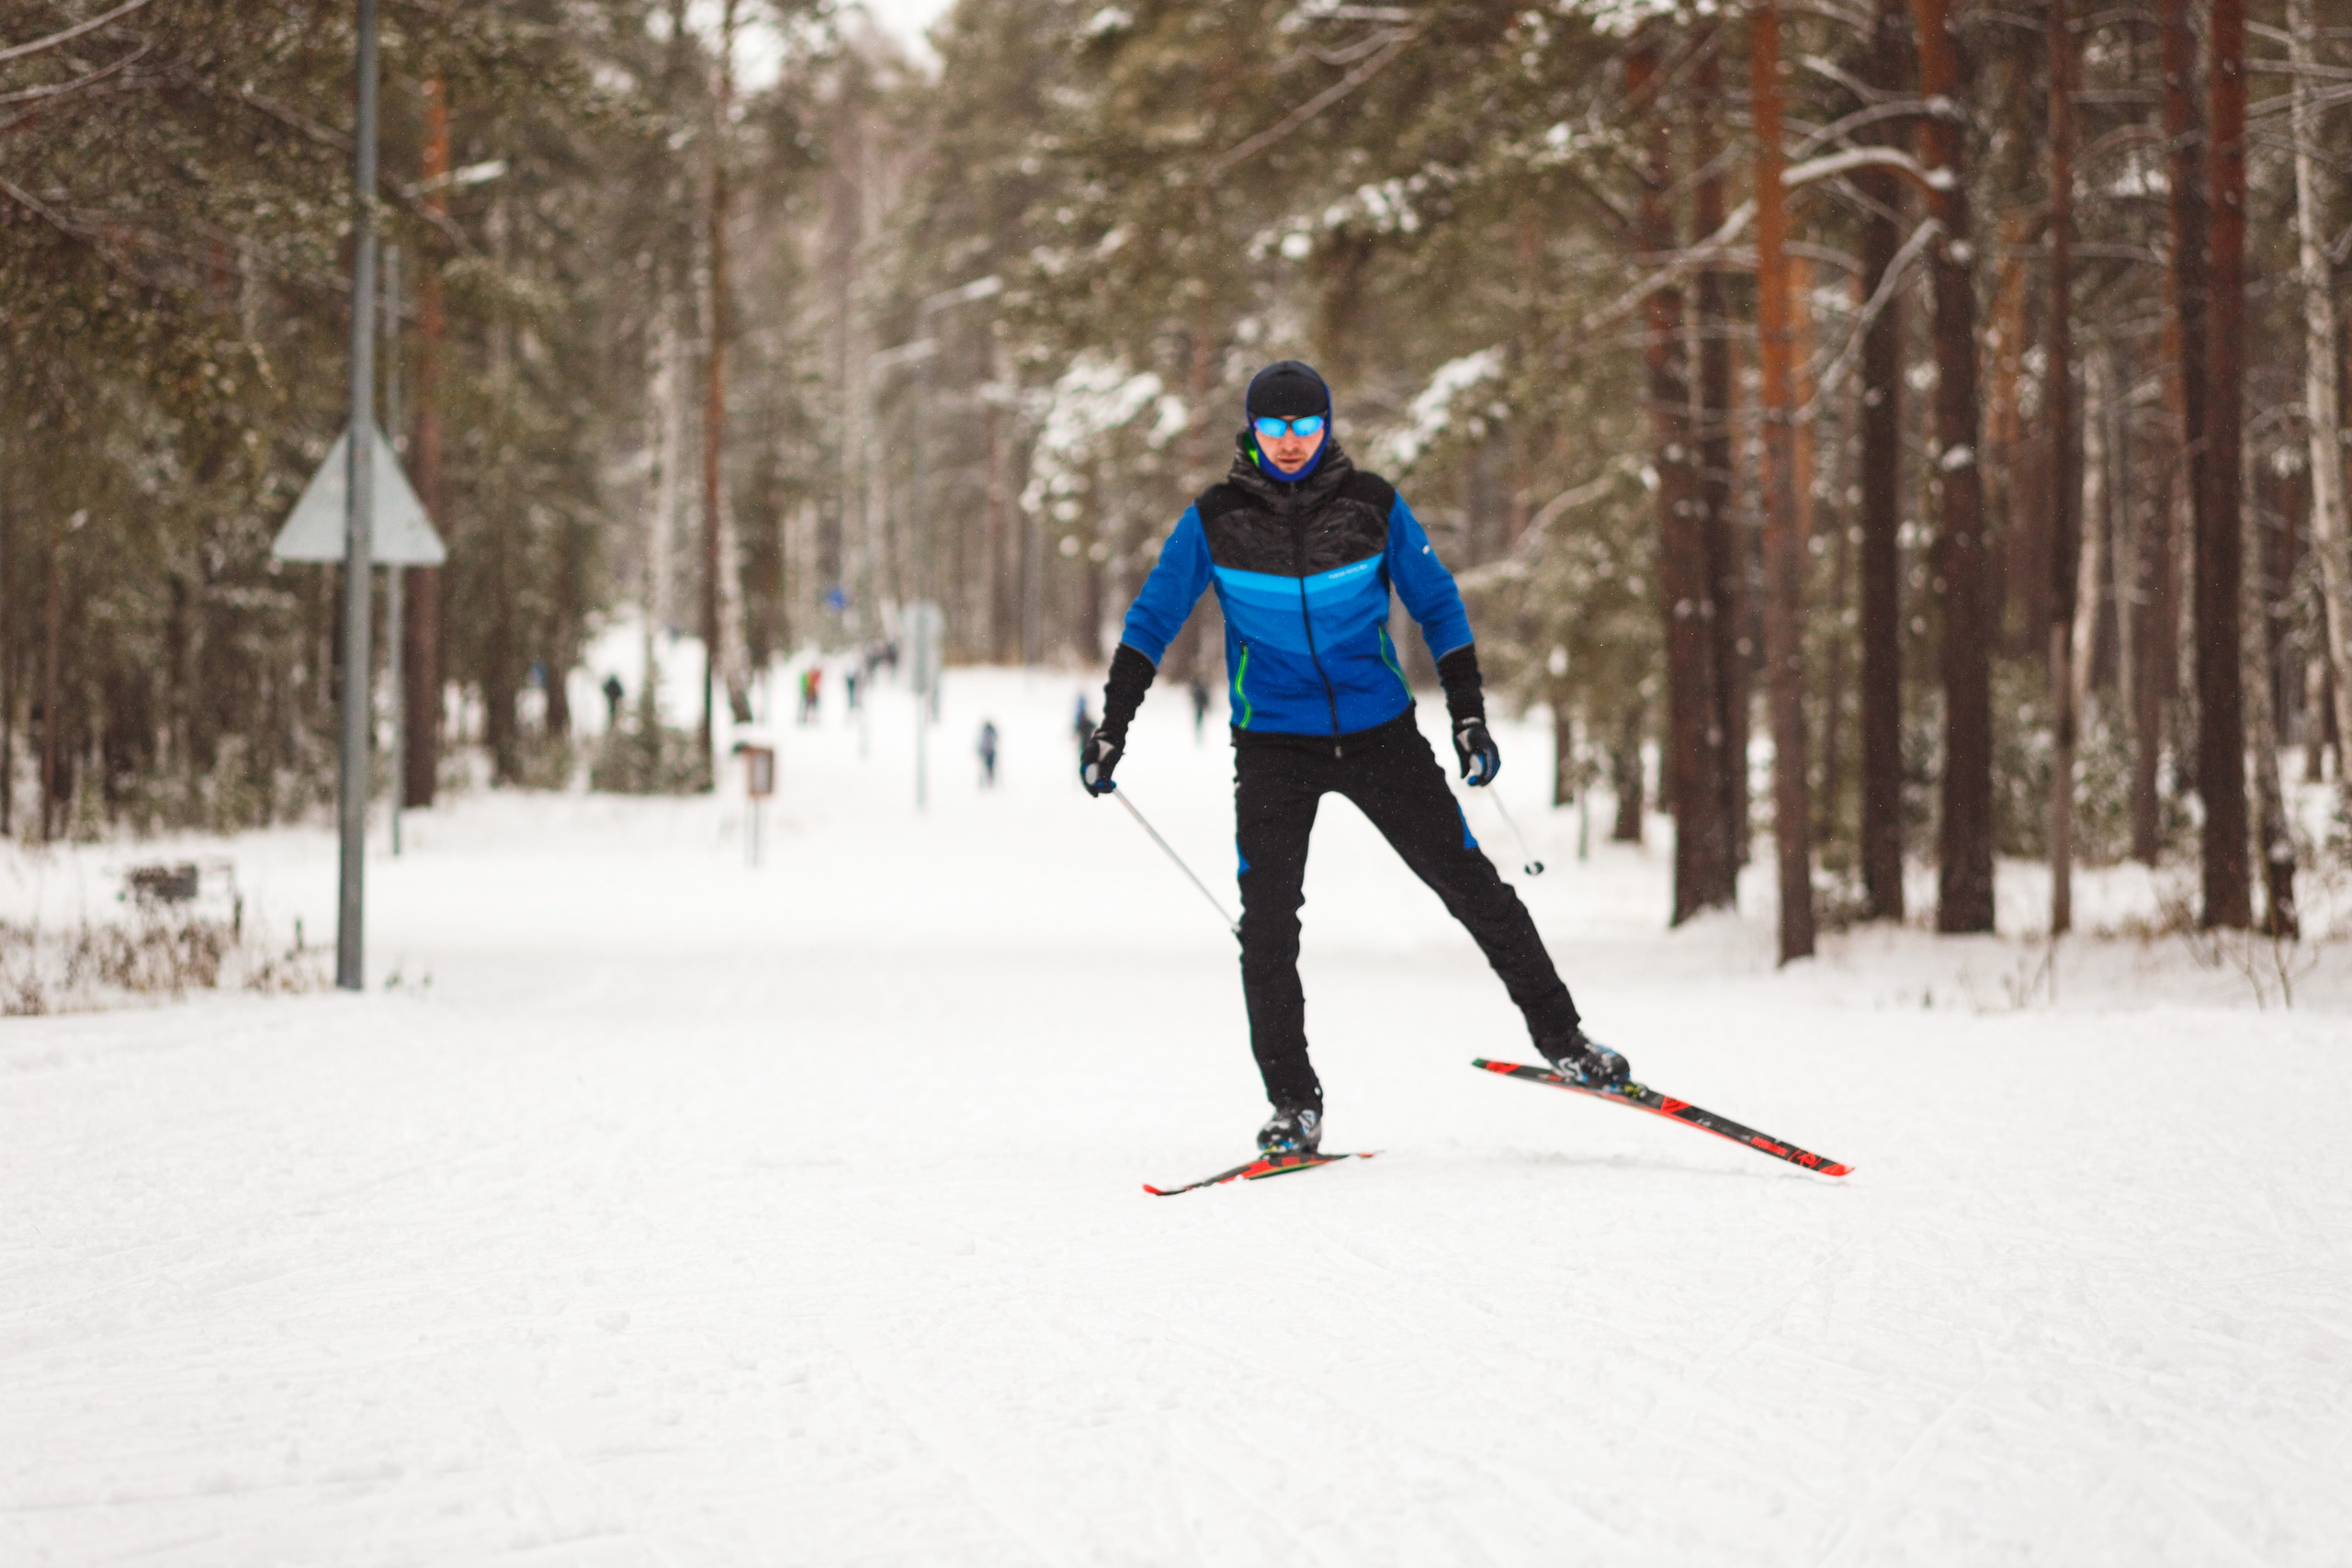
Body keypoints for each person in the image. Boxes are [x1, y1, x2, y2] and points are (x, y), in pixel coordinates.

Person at [1080, 360, 1626, 1156]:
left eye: (1306, 426)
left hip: (1379, 733)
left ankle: (1565, 1036)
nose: (1292, 442)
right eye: (1276, 427)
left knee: (1472, 885)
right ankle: (1293, 1103)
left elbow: (1437, 603)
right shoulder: (1216, 518)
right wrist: (1112, 724)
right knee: (1267, 927)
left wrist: (1468, 716)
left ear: (1328, 425)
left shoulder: (1372, 505)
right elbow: (1151, 618)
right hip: (1273, 742)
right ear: (1253, 430)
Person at [978, 719, 1000, 787]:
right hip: (991, 753)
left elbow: (981, 743)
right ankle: (989, 782)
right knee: (990, 769)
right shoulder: (991, 731)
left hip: (986, 752)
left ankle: (985, 783)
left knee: (986, 768)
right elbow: (996, 739)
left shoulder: (984, 732)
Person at [1188, 675, 1210, 741]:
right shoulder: (1199, 689)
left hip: (1199, 707)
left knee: (1198, 722)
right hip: (1199, 707)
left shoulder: (1197, 689)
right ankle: (1198, 736)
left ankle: (1199, 736)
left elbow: (1203, 698)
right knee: (1198, 722)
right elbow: (1204, 698)